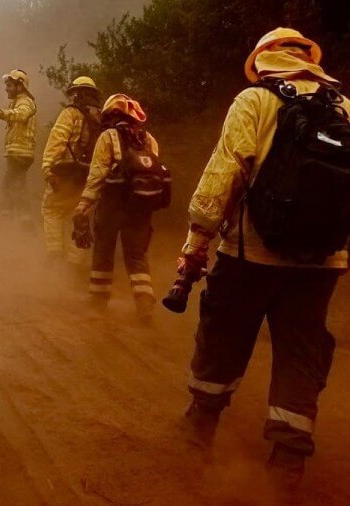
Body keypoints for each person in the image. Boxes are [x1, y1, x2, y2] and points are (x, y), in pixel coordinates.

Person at [177, 28, 350, 488]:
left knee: (224, 334)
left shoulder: (254, 100)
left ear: (264, 60)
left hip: (250, 252)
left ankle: (201, 425)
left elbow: (224, 173)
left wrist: (197, 242)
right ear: (308, 59)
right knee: (301, 350)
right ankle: (289, 459)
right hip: (322, 261)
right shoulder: (344, 108)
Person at [72, 94, 169, 320]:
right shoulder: (149, 139)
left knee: (104, 251)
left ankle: (98, 300)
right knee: (136, 255)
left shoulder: (108, 137)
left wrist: (83, 205)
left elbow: (97, 175)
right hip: (140, 206)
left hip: (112, 203)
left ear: (111, 115)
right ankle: (145, 302)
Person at [41, 76, 102, 264]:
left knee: (52, 209)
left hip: (67, 173)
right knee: (81, 217)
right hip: (90, 177)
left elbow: (57, 140)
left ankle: (55, 258)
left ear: (78, 93)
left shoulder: (71, 113)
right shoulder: (102, 116)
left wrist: (48, 169)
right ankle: (75, 265)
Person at [0, 69, 37, 223]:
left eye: (9, 85)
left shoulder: (24, 102)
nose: (6, 88)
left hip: (20, 152)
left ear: (20, 86)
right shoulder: (17, 101)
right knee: (12, 184)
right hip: (19, 151)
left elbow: (21, 114)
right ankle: (17, 220)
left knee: (13, 186)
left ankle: (19, 222)